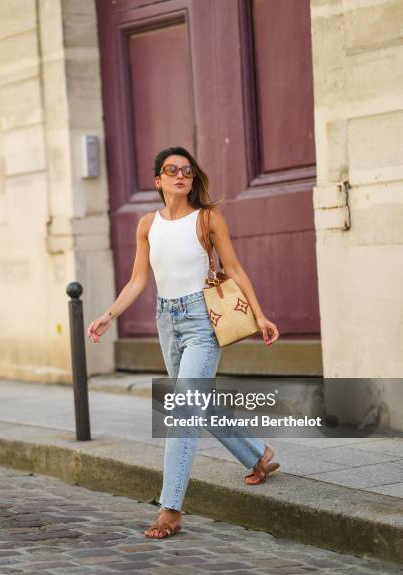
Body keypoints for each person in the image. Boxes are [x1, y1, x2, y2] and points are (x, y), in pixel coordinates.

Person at [87, 146, 280, 539]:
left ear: (193, 179)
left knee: (181, 414)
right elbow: (138, 279)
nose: (180, 176)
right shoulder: (147, 225)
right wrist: (110, 314)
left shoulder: (207, 218)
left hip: (201, 323)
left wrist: (259, 314)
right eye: (171, 170)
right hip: (166, 320)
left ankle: (170, 510)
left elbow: (235, 268)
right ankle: (258, 455)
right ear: (158, 179)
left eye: (187, 171)